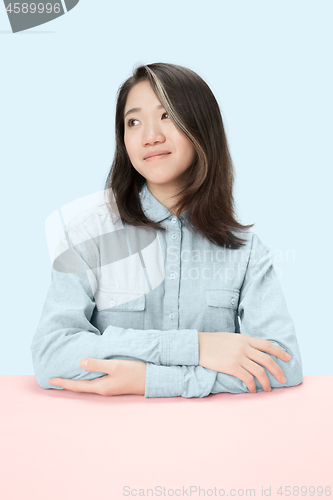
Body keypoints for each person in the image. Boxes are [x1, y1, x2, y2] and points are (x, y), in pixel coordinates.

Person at [30, 62, 303, 398]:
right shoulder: (87, 236)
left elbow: (283, 366)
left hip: (217, 439)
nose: (150, 137)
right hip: (105, 439)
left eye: (167, 116)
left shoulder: (245, 251)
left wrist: (147, 380)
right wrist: (197, 347)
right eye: (134, 122)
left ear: (201, 126)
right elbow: (52, 354)